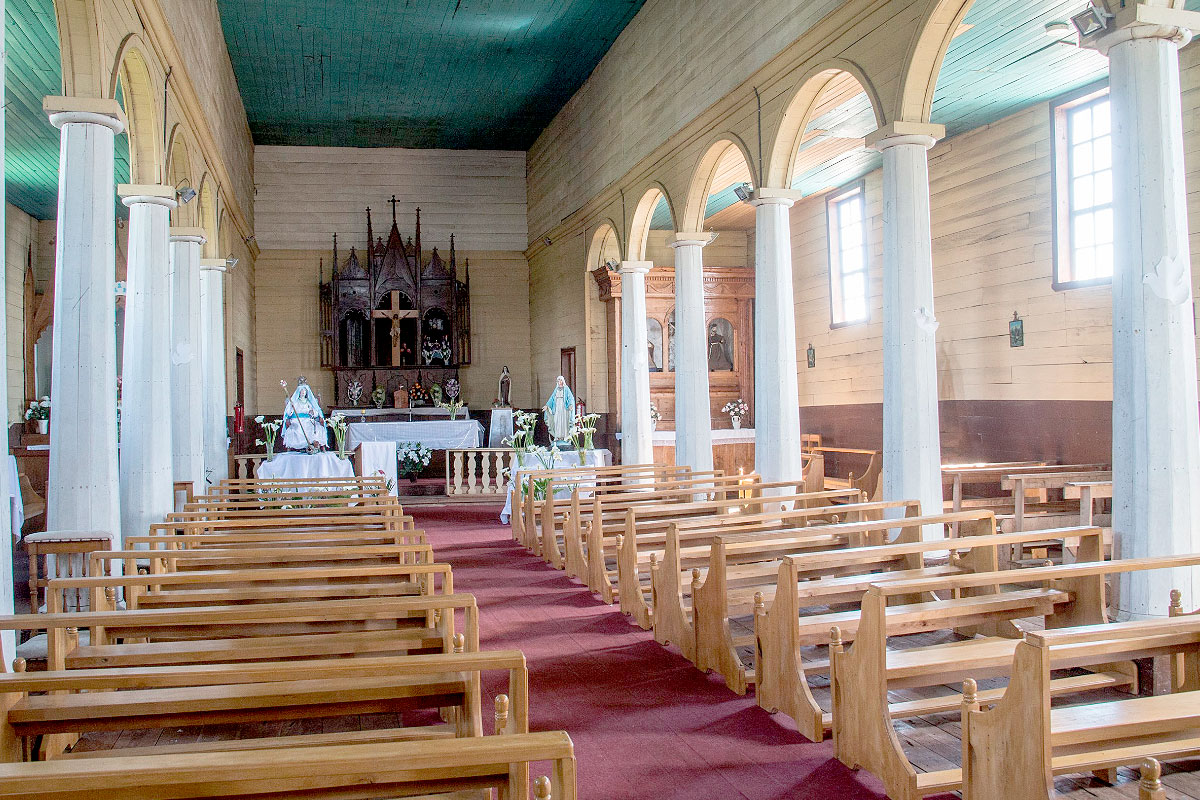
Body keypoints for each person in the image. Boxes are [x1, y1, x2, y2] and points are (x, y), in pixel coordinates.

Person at [282, 377, 329, 450]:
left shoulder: (310, 401)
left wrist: (313, 412)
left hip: (309, 420)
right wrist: (291, 408)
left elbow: (316, 412)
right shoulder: (295, 402)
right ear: (298, 392)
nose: (303, 392)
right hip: (297, 420)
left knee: (317, 428)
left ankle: (314, 444)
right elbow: (289, 413)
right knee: (297, 429)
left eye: (304, 391)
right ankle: (301, 445)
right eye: (301, 390)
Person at [542, 375, 575, 445]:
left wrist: (570, 404)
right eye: (558, 380)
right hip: (557, 408)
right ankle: (557, 436)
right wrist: (547, 406)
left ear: (563, 381)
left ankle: (565, 437)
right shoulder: (556, 389)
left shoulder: (566, 389)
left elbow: (571, 398)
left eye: (560, 380)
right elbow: (552, 399)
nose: (559, 382)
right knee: (557, 421)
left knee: (564, 422)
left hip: (564, 408)